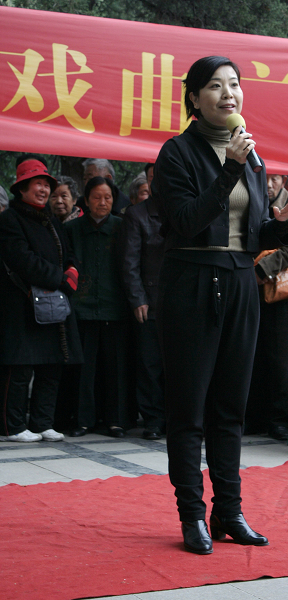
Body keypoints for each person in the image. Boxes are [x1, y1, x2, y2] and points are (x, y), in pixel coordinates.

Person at [151, 55, 288, 555]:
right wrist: (230, 169)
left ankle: (229, 511)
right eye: (216, 86)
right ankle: (192, 516)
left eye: (235, 85)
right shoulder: (177, 153)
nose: (229, 94)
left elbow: (251, 233)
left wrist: (282, 224)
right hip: (192, 281)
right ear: (194, 99)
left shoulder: (251, 154)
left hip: (241, 282)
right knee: (189, 409)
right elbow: (186, 222)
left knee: (230, 407)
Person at [0, 157, 82, 442]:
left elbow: (69, 254)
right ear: (21, 188)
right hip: (20, 304)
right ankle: (12, 426)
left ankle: (42, 422)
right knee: (20, 368)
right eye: (37, 184)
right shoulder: (9, 220)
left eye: (46, 184)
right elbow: (23, 260)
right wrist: (60, 278)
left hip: (53, 305)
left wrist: (72, 272)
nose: (44, 190)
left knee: (51, 366)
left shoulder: (52, 220)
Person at [65, 177, 131, 438]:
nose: (103, 202)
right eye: (97, 197)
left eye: (108, 197)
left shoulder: (122, 227)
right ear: (86, 200)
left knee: (115, 368)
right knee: (84, 367)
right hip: (82, 307)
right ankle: (83, 420)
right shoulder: (72, 229)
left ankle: (116, 420)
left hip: (115, 307)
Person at [246, 174, 288, 440]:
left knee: (282, 360)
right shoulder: (249, 199)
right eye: (265, 177)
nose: (269, 184)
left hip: (283, 295)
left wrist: (260, 270)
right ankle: (253, 416)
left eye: (275, 178)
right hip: (249, 290)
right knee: (252, 355)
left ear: (283, 180)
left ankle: (280, 419)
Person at [119, 163, 165, 440]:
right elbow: (129, 262)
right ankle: (153, 420)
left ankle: (176, 418)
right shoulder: (137, 214)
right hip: (150, 300)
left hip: (182, 301)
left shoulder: (184, 210)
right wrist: (137, 298)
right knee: (150, 365)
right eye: (151, 178)